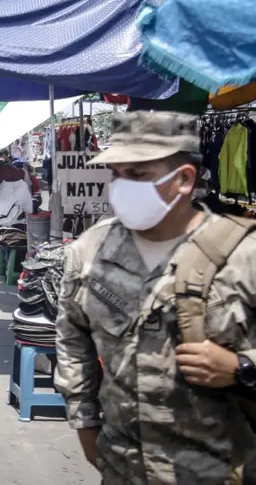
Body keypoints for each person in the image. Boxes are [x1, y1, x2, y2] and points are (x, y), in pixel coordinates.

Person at [54, 112, 256, 484]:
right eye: (117, 174)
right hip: (122, 467)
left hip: (223, 470)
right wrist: (85, 426)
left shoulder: (243, 255)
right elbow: (72, 340)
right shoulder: (91, 250)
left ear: (184, 179)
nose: (122, 186)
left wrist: (242, 367)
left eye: (138, 174)